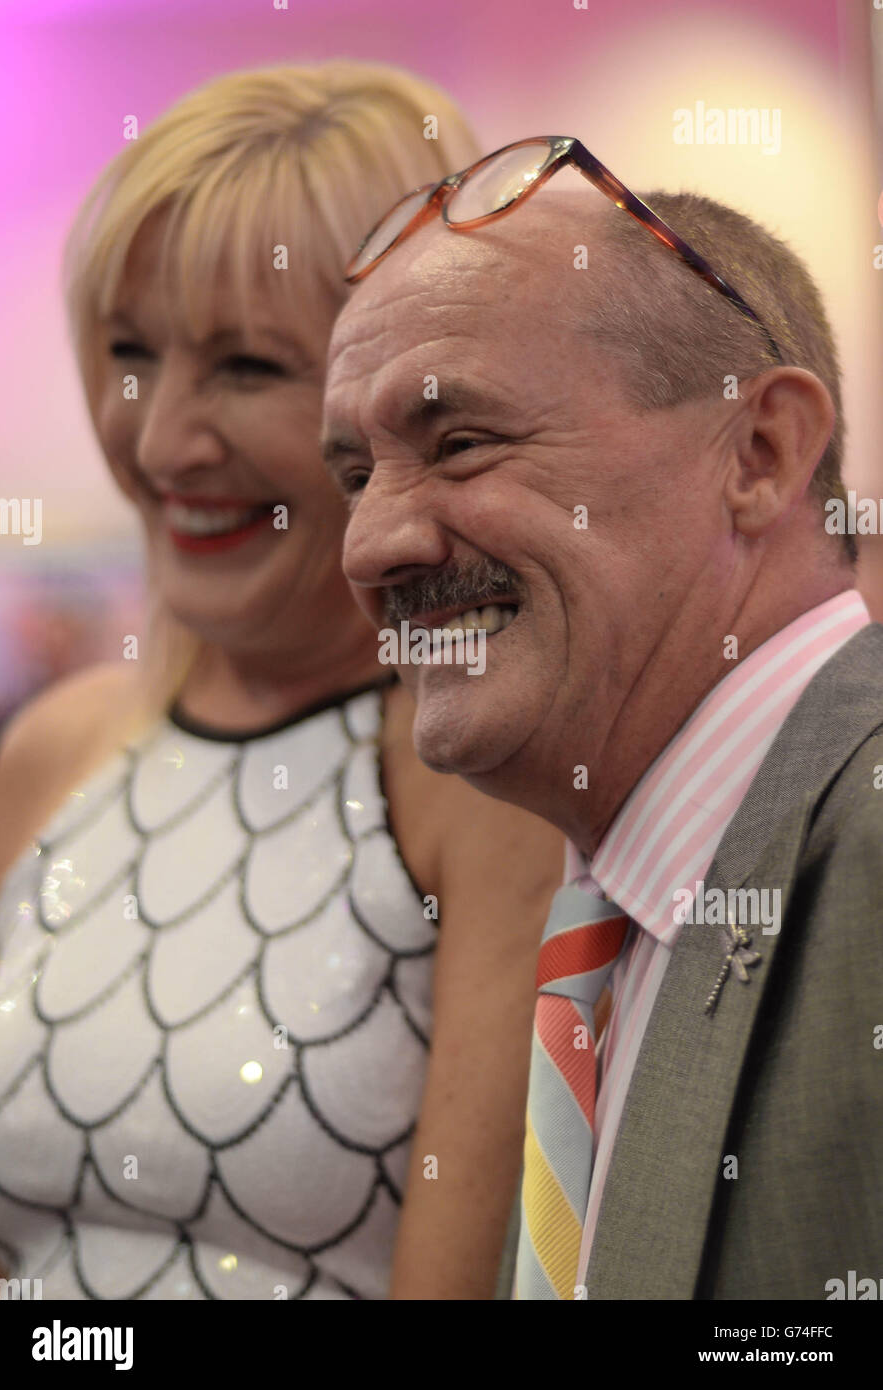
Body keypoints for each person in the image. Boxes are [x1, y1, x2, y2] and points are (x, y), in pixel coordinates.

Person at [0, 81, 564, 1301]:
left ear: (415, 395)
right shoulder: (56, 752)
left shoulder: (477, 778)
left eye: (247, 366)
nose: (159, 444)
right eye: (131, 355)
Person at [321, 135, 883, 1299]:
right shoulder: (614, 897)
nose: (372, 545)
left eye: (460, 441)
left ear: (762, 451)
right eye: (354, 475)